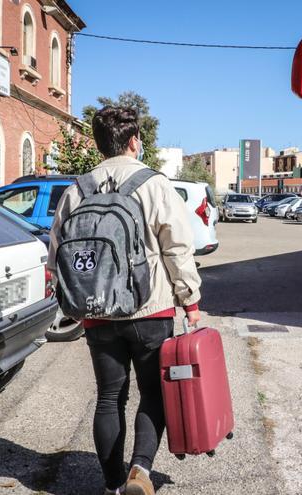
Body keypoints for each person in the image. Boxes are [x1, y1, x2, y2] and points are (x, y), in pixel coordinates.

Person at [48, 106, 202, 495]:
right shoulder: (154, 184)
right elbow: (178, 248)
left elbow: (56, 257)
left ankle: (112, 483)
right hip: (150, 309)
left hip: (97, 311)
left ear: (100, 145)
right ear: (134, 141)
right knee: (153, 392)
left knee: (109, 396)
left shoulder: (75, 189)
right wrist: (190, 299)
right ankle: (141, 471)